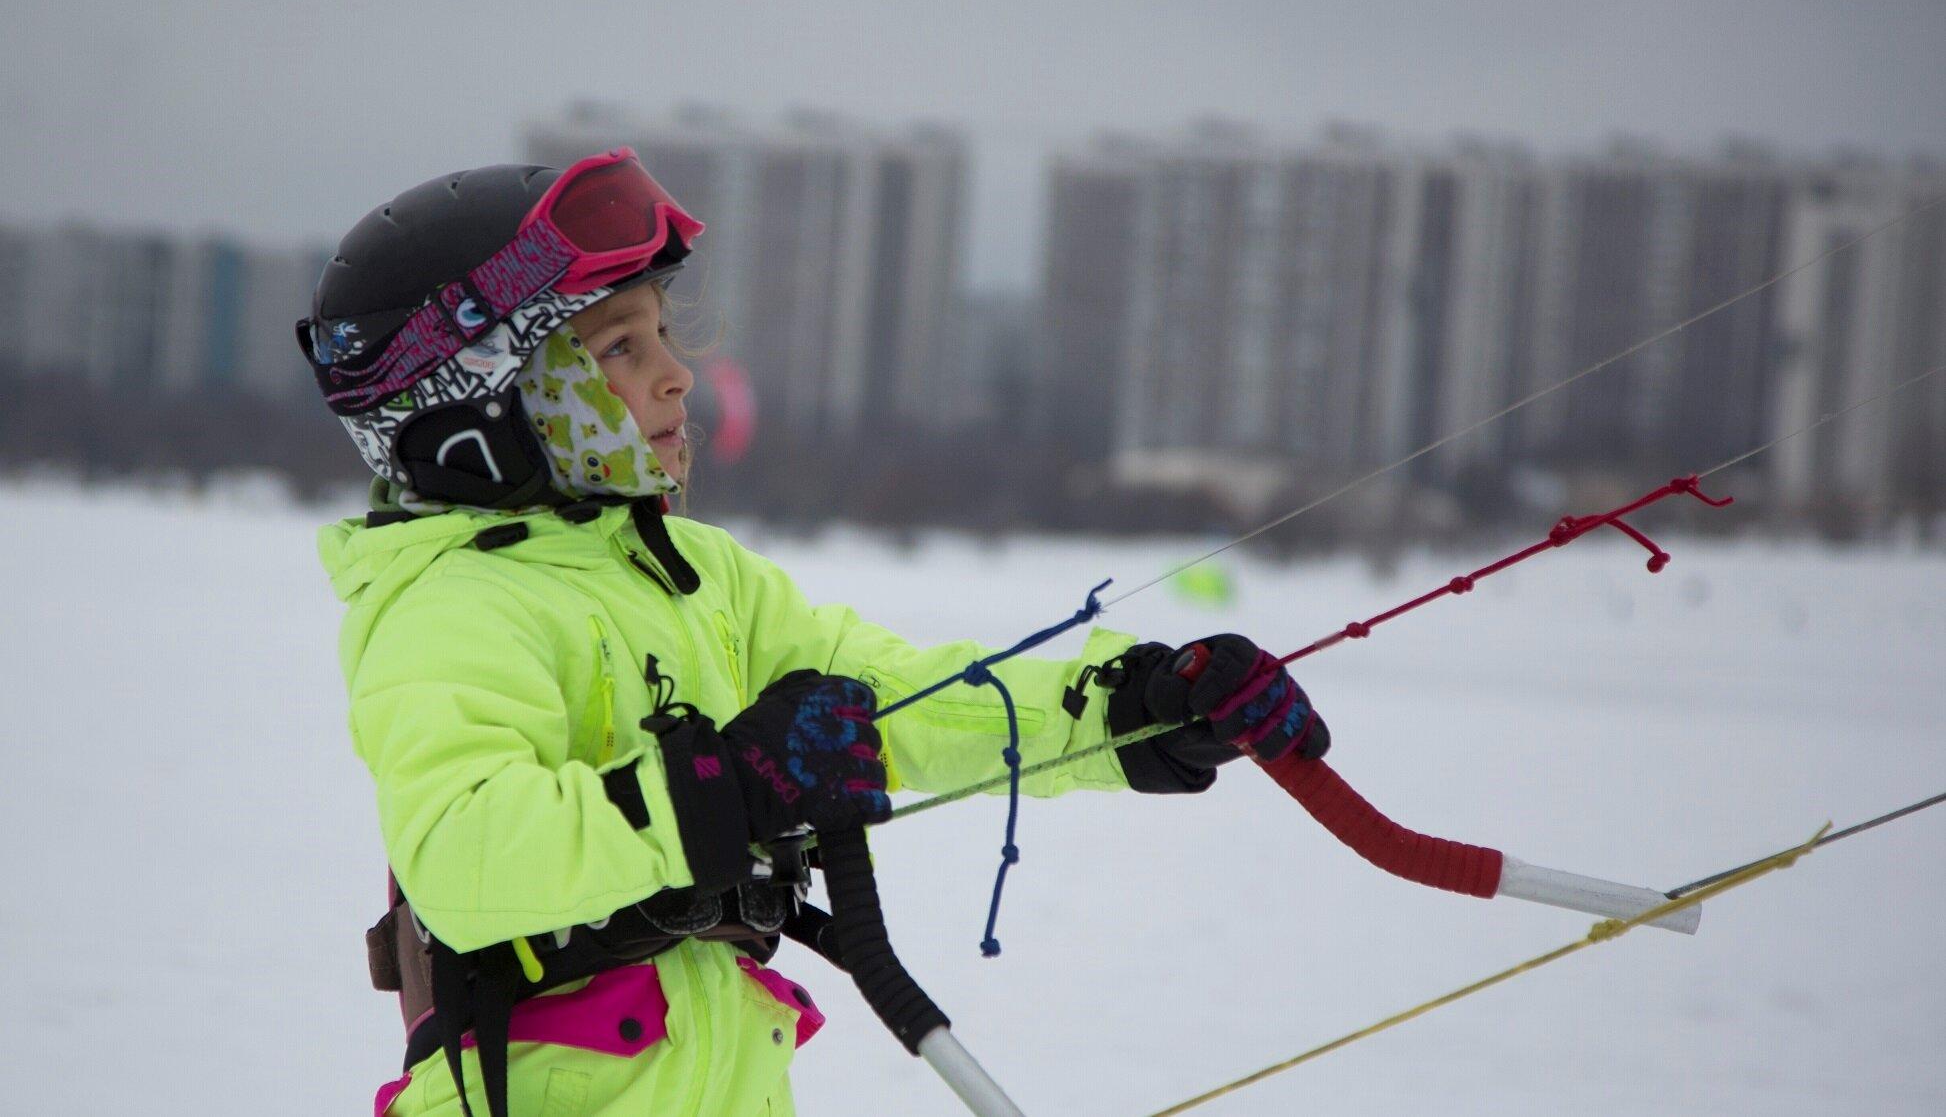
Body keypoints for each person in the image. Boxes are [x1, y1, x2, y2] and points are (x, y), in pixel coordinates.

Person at [301, 148, 1331, 1117]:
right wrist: (729, 786)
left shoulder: (698, 577)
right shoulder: (447, 607)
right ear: (475, 406)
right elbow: (468, 861)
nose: (674, 375)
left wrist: (1137, 709)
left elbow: (902, 700)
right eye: (620, 346)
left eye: (661, 335)